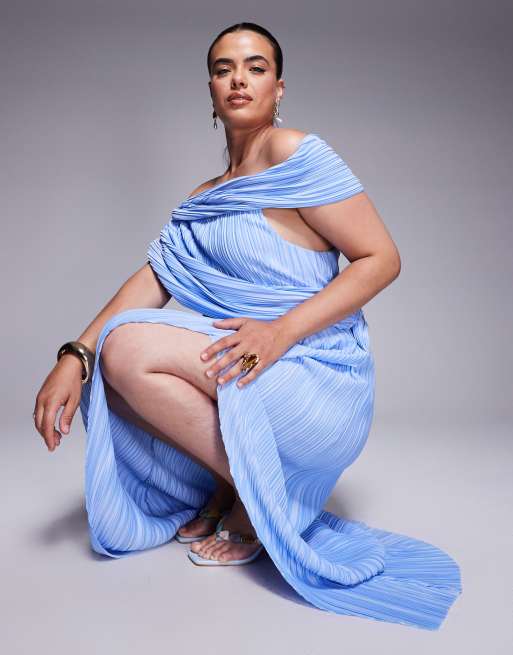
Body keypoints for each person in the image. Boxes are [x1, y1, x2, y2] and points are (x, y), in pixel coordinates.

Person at [33, 22, 462, 629]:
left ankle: (263, 504)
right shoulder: (207, 194)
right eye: (224, 69)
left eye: (256, 67)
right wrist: (74, 355)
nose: (238, 79)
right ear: (211, 90)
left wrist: (279, 331)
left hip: (316, 377)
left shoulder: (294, 152)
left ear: (278, 88)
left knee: (126, 345)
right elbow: (153, 278)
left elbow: (382, 259)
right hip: (253, 371)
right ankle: (237, 484)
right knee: (108, 367)